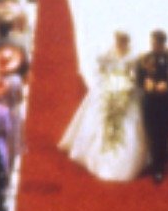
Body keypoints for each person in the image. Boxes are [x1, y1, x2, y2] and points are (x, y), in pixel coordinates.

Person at [60, 31, 146, 182]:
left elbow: (137, 76)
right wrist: (107, 84)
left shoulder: (134, 57)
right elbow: (100, 72)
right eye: (119, 40)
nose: (120, 43)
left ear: (127, 41)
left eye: (123, 41)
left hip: (126, 92)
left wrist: (129, 85)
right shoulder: (107, 54)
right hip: (108, 90)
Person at [134, 29, 168, 184]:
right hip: (150, 101)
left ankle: (161, 157)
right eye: (152, 43)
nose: (154, 46)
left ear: (163, 44)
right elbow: (138, 79)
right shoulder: (144, 58)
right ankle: (157, 168)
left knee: (165, 132)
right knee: (153, 133)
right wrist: (146, 84)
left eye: (157, 43)